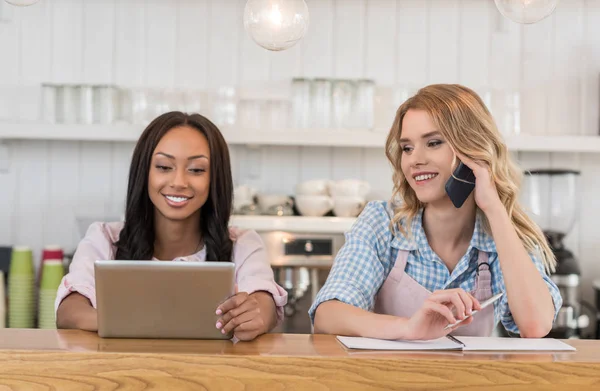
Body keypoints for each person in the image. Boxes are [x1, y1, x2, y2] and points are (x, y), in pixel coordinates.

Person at [309, 84, 562, 340]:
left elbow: (535, 326)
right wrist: (408, 328)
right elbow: (328, 315)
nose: (415, 160)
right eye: (407, 148)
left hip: (470, 381)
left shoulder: (503, 236)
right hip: (385, 379)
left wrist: (494, 208)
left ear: (472, 150)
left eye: (433, 143)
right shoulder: (383, 223)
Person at [56, 112, 287, 341]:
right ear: (144, 172)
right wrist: (130, 323)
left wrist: (254, 315)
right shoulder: (104, 239)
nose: (178, 182)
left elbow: (263, 302)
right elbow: (69, 310)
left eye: (196, 170)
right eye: (164, 167)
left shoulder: (243, 244)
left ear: (215, 178)